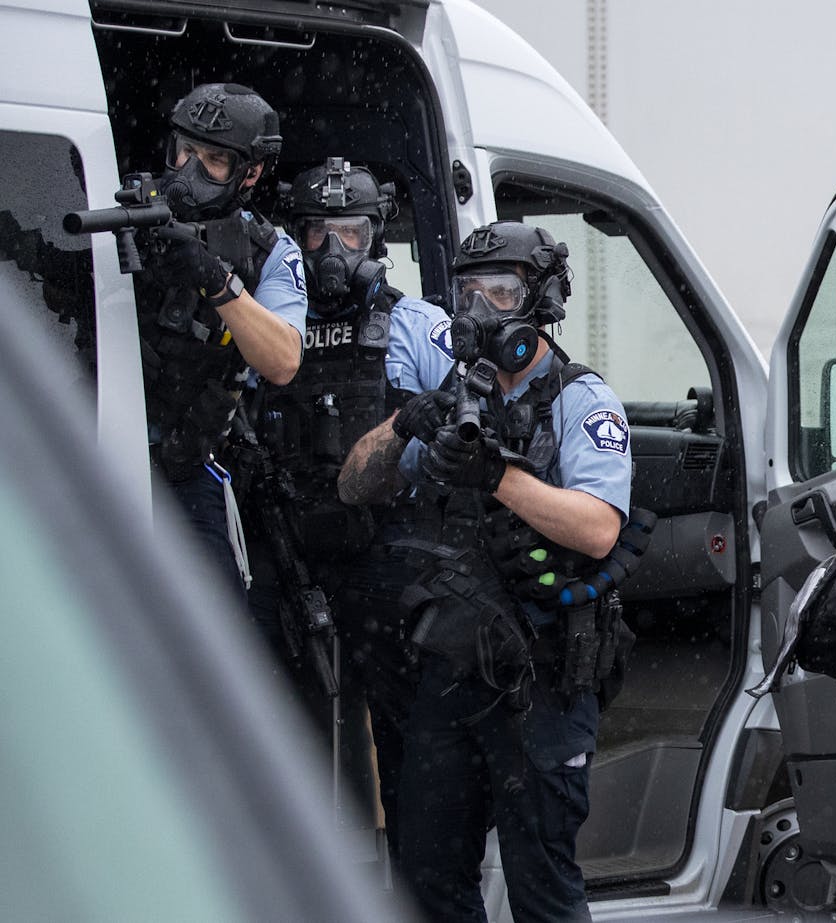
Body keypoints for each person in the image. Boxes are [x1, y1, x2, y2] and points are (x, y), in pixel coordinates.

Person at [338, 220, 633, 922]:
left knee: (543, 892)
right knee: (428, 878)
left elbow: (598, 527)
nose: (480, 309)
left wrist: (495, 474)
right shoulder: (457, 392)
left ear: (541, 301)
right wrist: (408, 419)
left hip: (544, 681)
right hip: (453, 672)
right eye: (469, 292)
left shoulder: (580, 400)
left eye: (501, 292)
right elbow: (353, 484)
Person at [234, 157, 454, 851]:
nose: (333, 253)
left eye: (351, 234)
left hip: (383, 563)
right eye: (316, 234)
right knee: (274, 737)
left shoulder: (418, 325)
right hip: (285, 556)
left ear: (377, 237)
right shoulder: (266, 330)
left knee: (405, 747)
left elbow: (474, 425)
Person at [138, 83, 305, 593]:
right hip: (88, 452)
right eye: (184, 150)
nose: (188, 169)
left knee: (208, 633)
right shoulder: (128, 212)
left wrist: (213, 278)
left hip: (185, 468)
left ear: (250, 172)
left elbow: (282, 360)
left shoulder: (270, 251)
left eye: (213, 159)